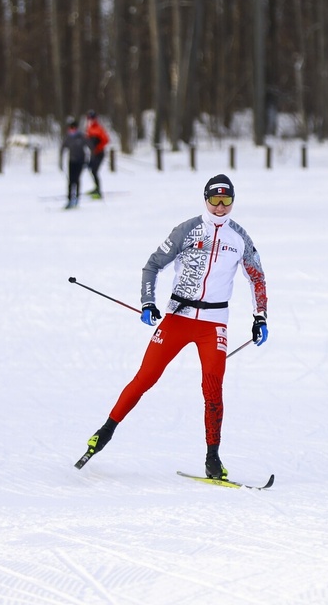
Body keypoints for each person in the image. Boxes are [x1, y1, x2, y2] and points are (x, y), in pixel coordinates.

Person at [77, 174, 269, 480]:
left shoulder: (239, 237)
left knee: (213, 390)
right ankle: (103, 433)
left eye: (227, 201)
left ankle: (213, 459)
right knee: (145, 378)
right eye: (214, 200)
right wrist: (147, 302)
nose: (220, 208)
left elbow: (256, 277)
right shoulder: (187, 230)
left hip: (213, 324)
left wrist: (260, 316)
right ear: (205, 199)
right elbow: (152, 265)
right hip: (178, 317)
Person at [60, 117, 88, 209]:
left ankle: (77, 198)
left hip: (80, 161)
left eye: (73, 128)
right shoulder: (68, 137)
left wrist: (88, 160)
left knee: (77, 179)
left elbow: (89, 148)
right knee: (70, 180)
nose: (72, 130)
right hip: (71, 161)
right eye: (70, 128)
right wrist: (60, 161)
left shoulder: (81, 137)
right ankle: (70, 199)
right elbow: (62, 148)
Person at [85, 110, 110, 199]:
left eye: (92, 118)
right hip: (93, 153)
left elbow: (106, 140)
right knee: (91, 170)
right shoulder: (89, 128)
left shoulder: (99, 129)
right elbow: (87, 140)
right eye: (89, 118)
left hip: (99, 153)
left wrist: (98, 148)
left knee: (94, 170)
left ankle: (98, 191)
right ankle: (96, 187)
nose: (90, 120)